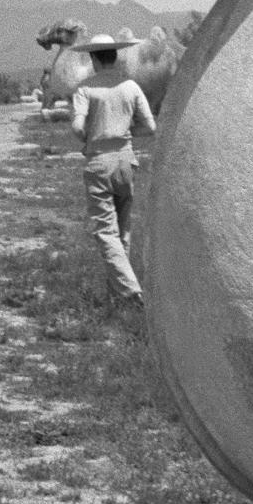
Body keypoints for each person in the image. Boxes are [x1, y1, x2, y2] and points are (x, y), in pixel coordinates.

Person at [69, 33, 157, 306]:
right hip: (125, 158)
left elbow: (77, 126)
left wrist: (90, 136)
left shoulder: (85, 89)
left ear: (94, 58)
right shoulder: (131, 86)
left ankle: (131, 291)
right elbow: (150, 127)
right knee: (122, 228)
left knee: (106, 230)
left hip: (99, 159)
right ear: (115, 57)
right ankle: (118, 293)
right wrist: (126, 131)